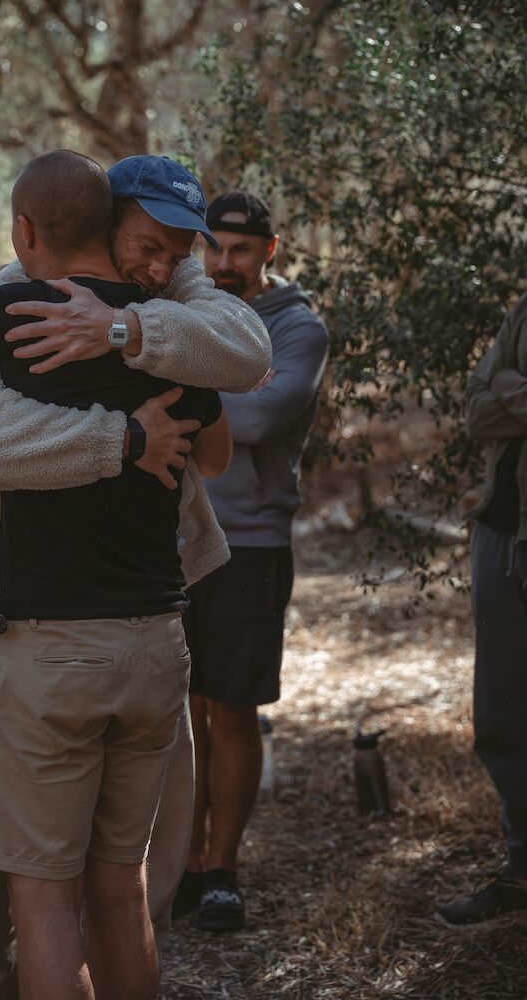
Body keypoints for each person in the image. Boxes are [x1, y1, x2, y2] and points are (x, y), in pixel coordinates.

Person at [0, 153, 271, 998]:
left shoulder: (19, 314)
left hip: (50, 646)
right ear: (107, 218)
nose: (162, 266)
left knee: (43, 901)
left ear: (27, 230)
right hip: (156, 641)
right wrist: (129, 432)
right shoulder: (175, 337)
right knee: (120, 890)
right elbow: (222, 450)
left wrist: (111, 328)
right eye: (150, 243)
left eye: (178, 252)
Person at [173, 192, 328, 931]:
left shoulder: (299, 328)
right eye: (213, 249)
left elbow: (265, 417)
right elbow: (241, 404)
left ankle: (223, 868)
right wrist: (228, 384)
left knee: (231, 711)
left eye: (240, 251)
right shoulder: (192, 309)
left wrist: (174, 388)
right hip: (173, 540)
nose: (223, 264)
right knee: (184, 712)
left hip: (251, 540)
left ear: (271, 250)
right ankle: (186, 861)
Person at [436, 294, 527, 926]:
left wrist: (508, 389)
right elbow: (474, 410)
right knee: (501, 715)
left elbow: (494, 396)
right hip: (501, 531)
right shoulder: (522, 313)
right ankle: (520, 874)